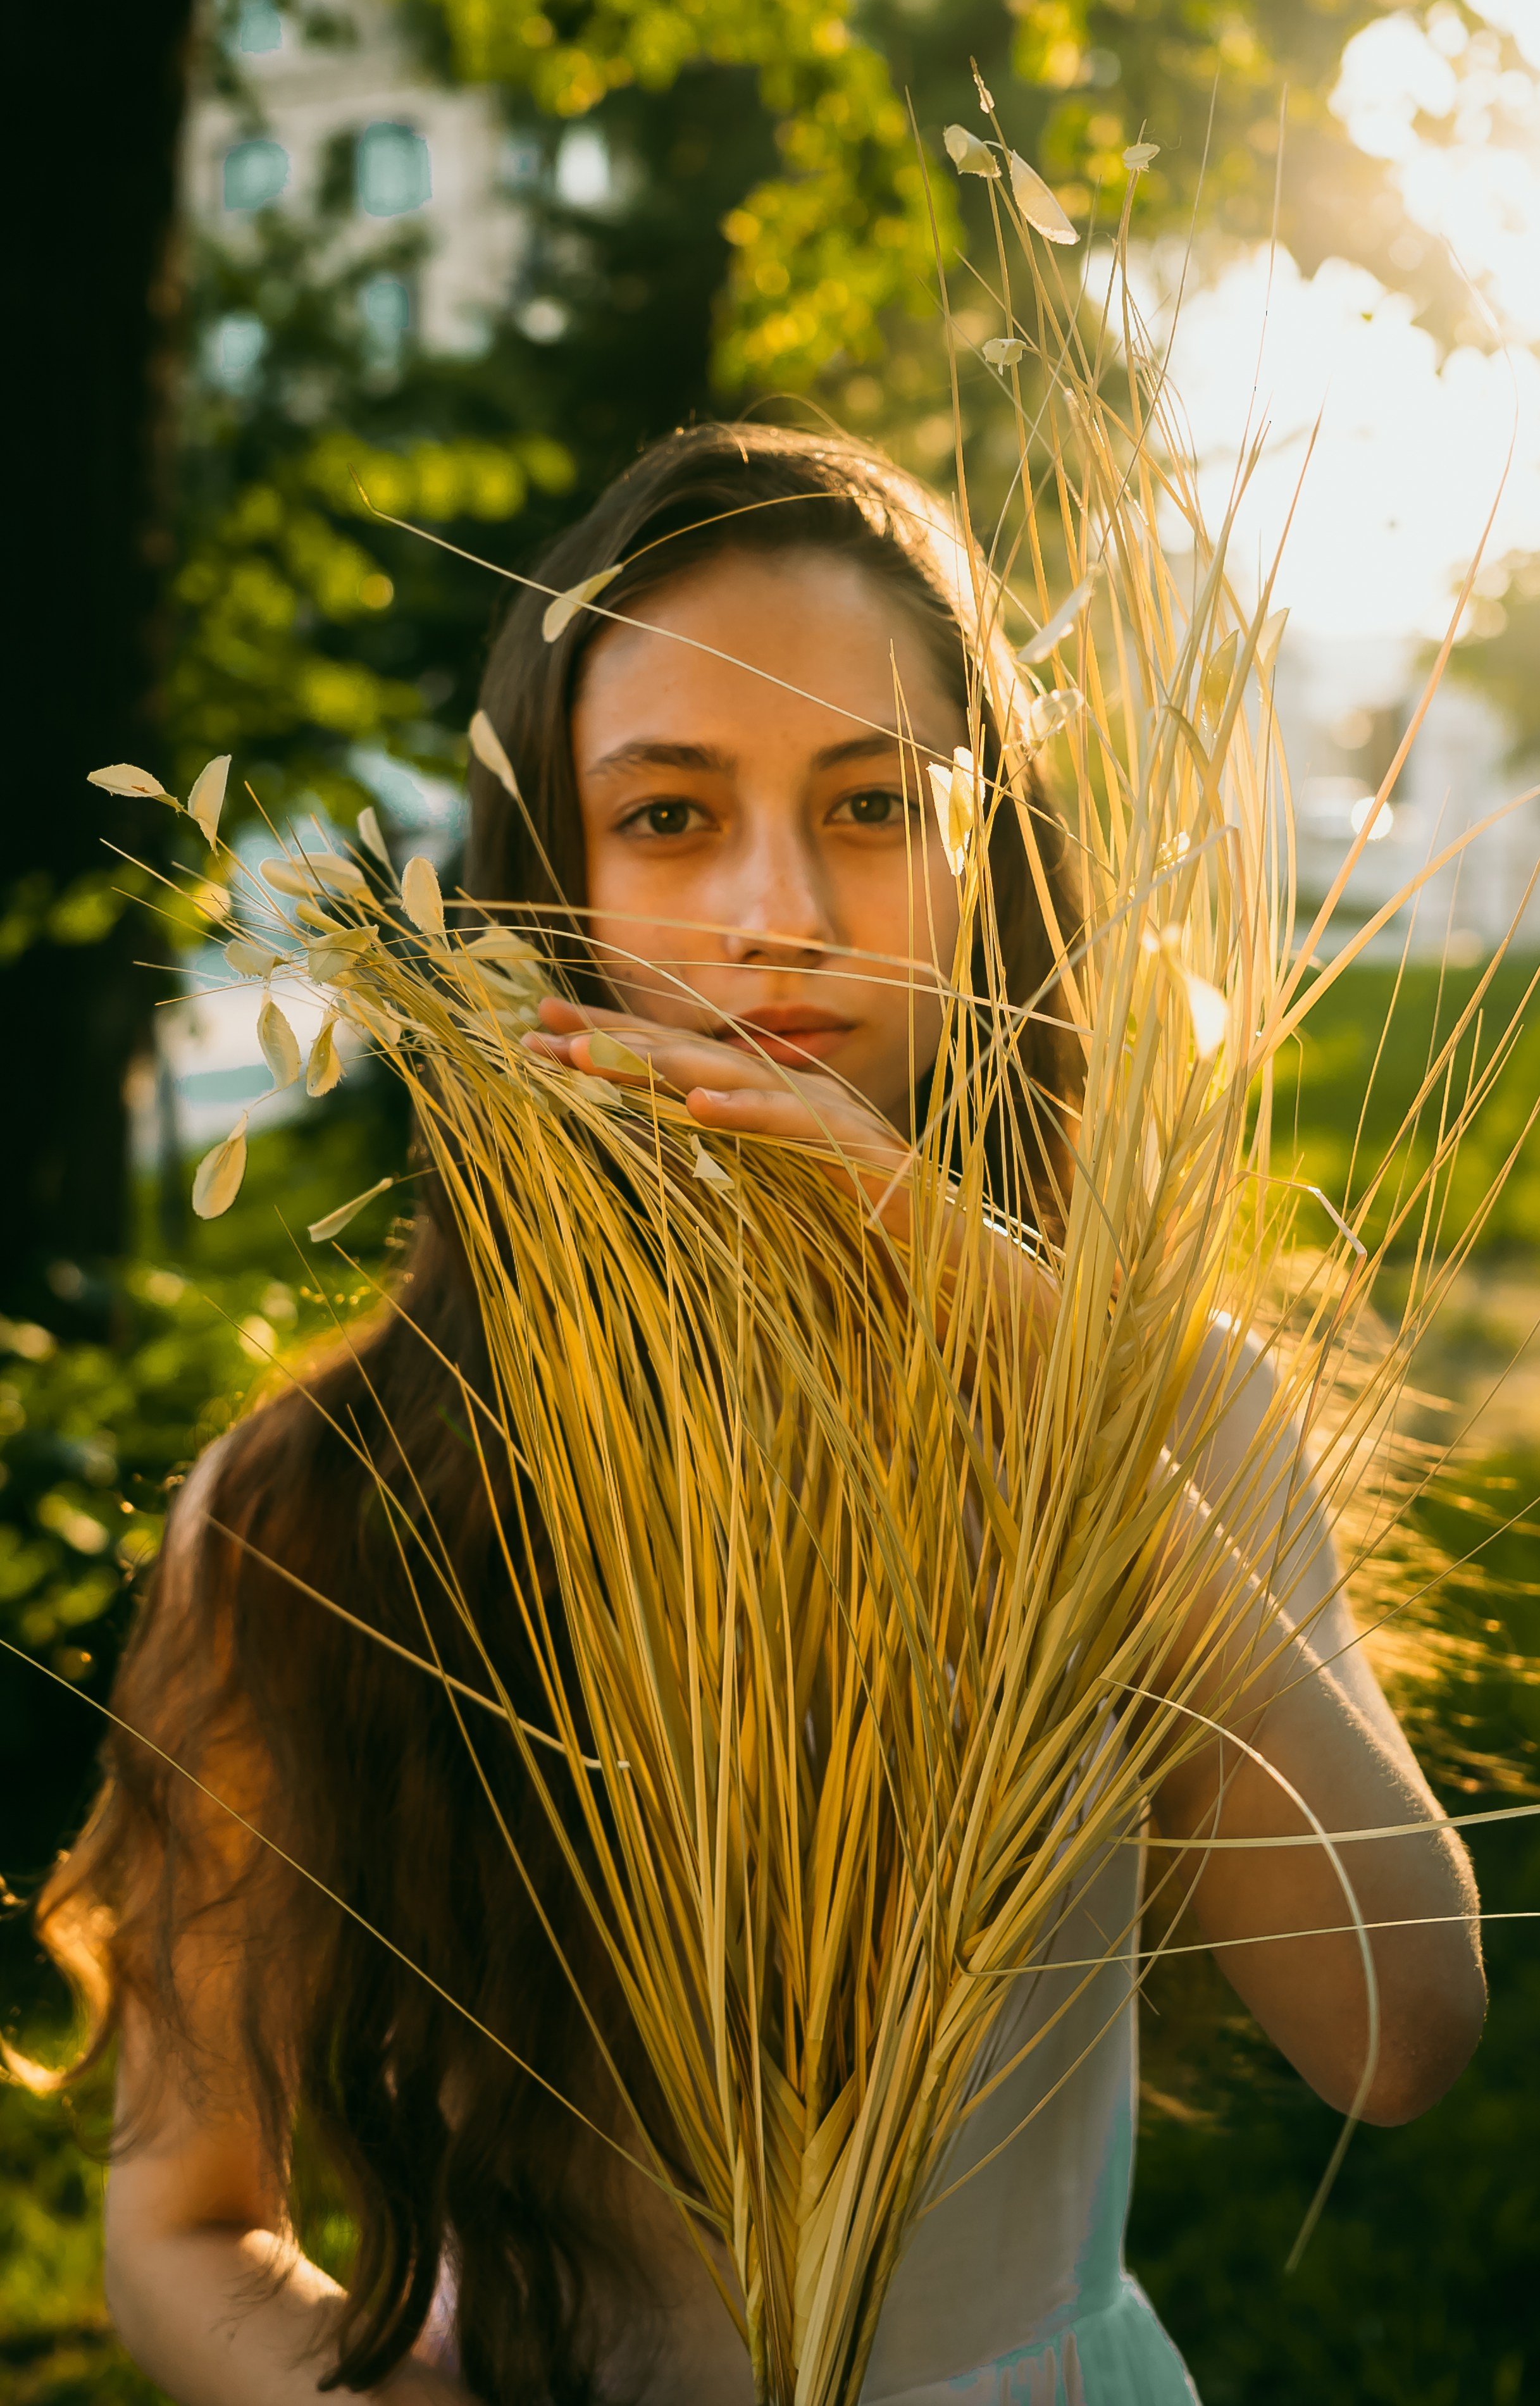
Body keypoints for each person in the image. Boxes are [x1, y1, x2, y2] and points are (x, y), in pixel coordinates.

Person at [34, 425, 1484, 2406]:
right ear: (546, 880)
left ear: (988, 862)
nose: (779, 909)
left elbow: (1394, 2030)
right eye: (669, 816)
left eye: (874, 803)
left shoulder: (1156, 1409)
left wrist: (1001, 1335)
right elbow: (179, 2217)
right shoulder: (326, 1502)